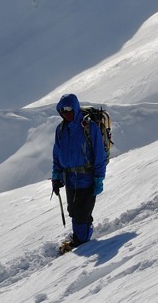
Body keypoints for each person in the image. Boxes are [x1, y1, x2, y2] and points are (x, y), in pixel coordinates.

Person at [51, 93, 107, 250]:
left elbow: (99, 155)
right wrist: (56, 176)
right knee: (74, 211)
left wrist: (98, 178)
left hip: (87, 178)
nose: (65, 113)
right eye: (62, 110)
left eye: (68, 109)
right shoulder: (61, 130)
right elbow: (57, 154)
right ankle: (80, 238)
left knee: (82, 214)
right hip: (69, 179)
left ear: (75, 108)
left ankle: (82, 243)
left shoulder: (89, 127)